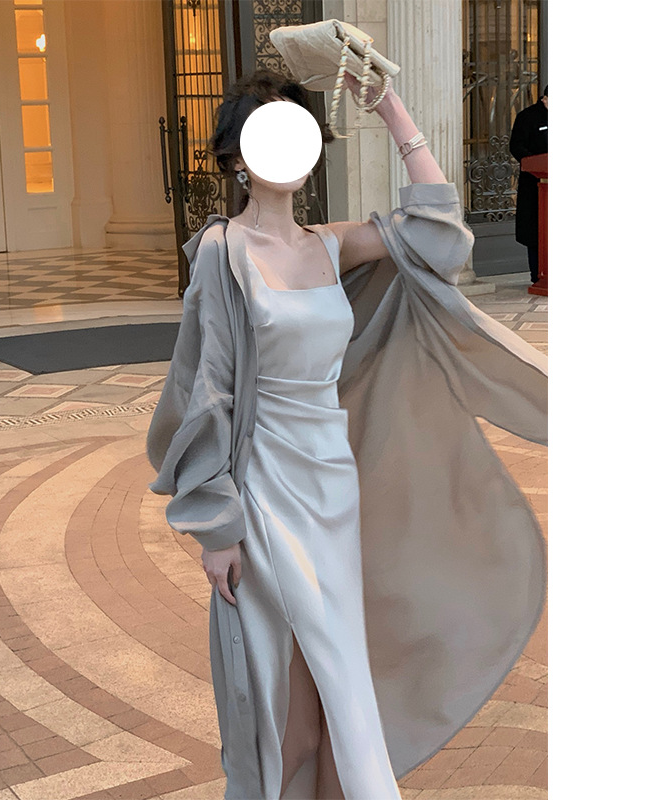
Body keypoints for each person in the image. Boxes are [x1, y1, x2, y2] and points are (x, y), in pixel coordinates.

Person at [147, 67, 548, 799]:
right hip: (264, 489)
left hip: (334, 484)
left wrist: (392, 109)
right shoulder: (222, 252)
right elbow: (207, 391)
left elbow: (439, 240)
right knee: (281, 696)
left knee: (338, 684)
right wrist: (216, 528)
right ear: (237, 155)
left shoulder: (332, 245)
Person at [510, 85, 548, 283]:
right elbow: (516, 146)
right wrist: (535, 162)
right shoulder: (527, 117)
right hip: (536, 184)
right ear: (545, 99)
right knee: (537, 231)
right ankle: (539, 275)